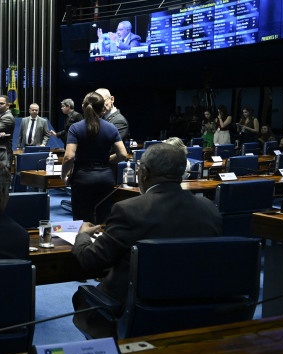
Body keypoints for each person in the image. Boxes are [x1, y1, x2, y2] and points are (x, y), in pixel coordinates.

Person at [70, 143, 222, 338]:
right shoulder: (209, 209)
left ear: (145, 172)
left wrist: (82, 235)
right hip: (195, 310)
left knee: (82, 297)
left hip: (135, 311)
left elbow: (91, 261)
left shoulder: (129, 209)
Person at [61, 92, 127, 223]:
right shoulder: (111, 128)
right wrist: (107, 161)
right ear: (102, 108)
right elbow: (123, 155)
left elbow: (69, 157)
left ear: (83, 106)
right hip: (106, 178)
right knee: (103, 220)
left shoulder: (75, 128)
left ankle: (82, 243)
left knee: (81, 222)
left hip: (82, 178)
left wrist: (63, 176)